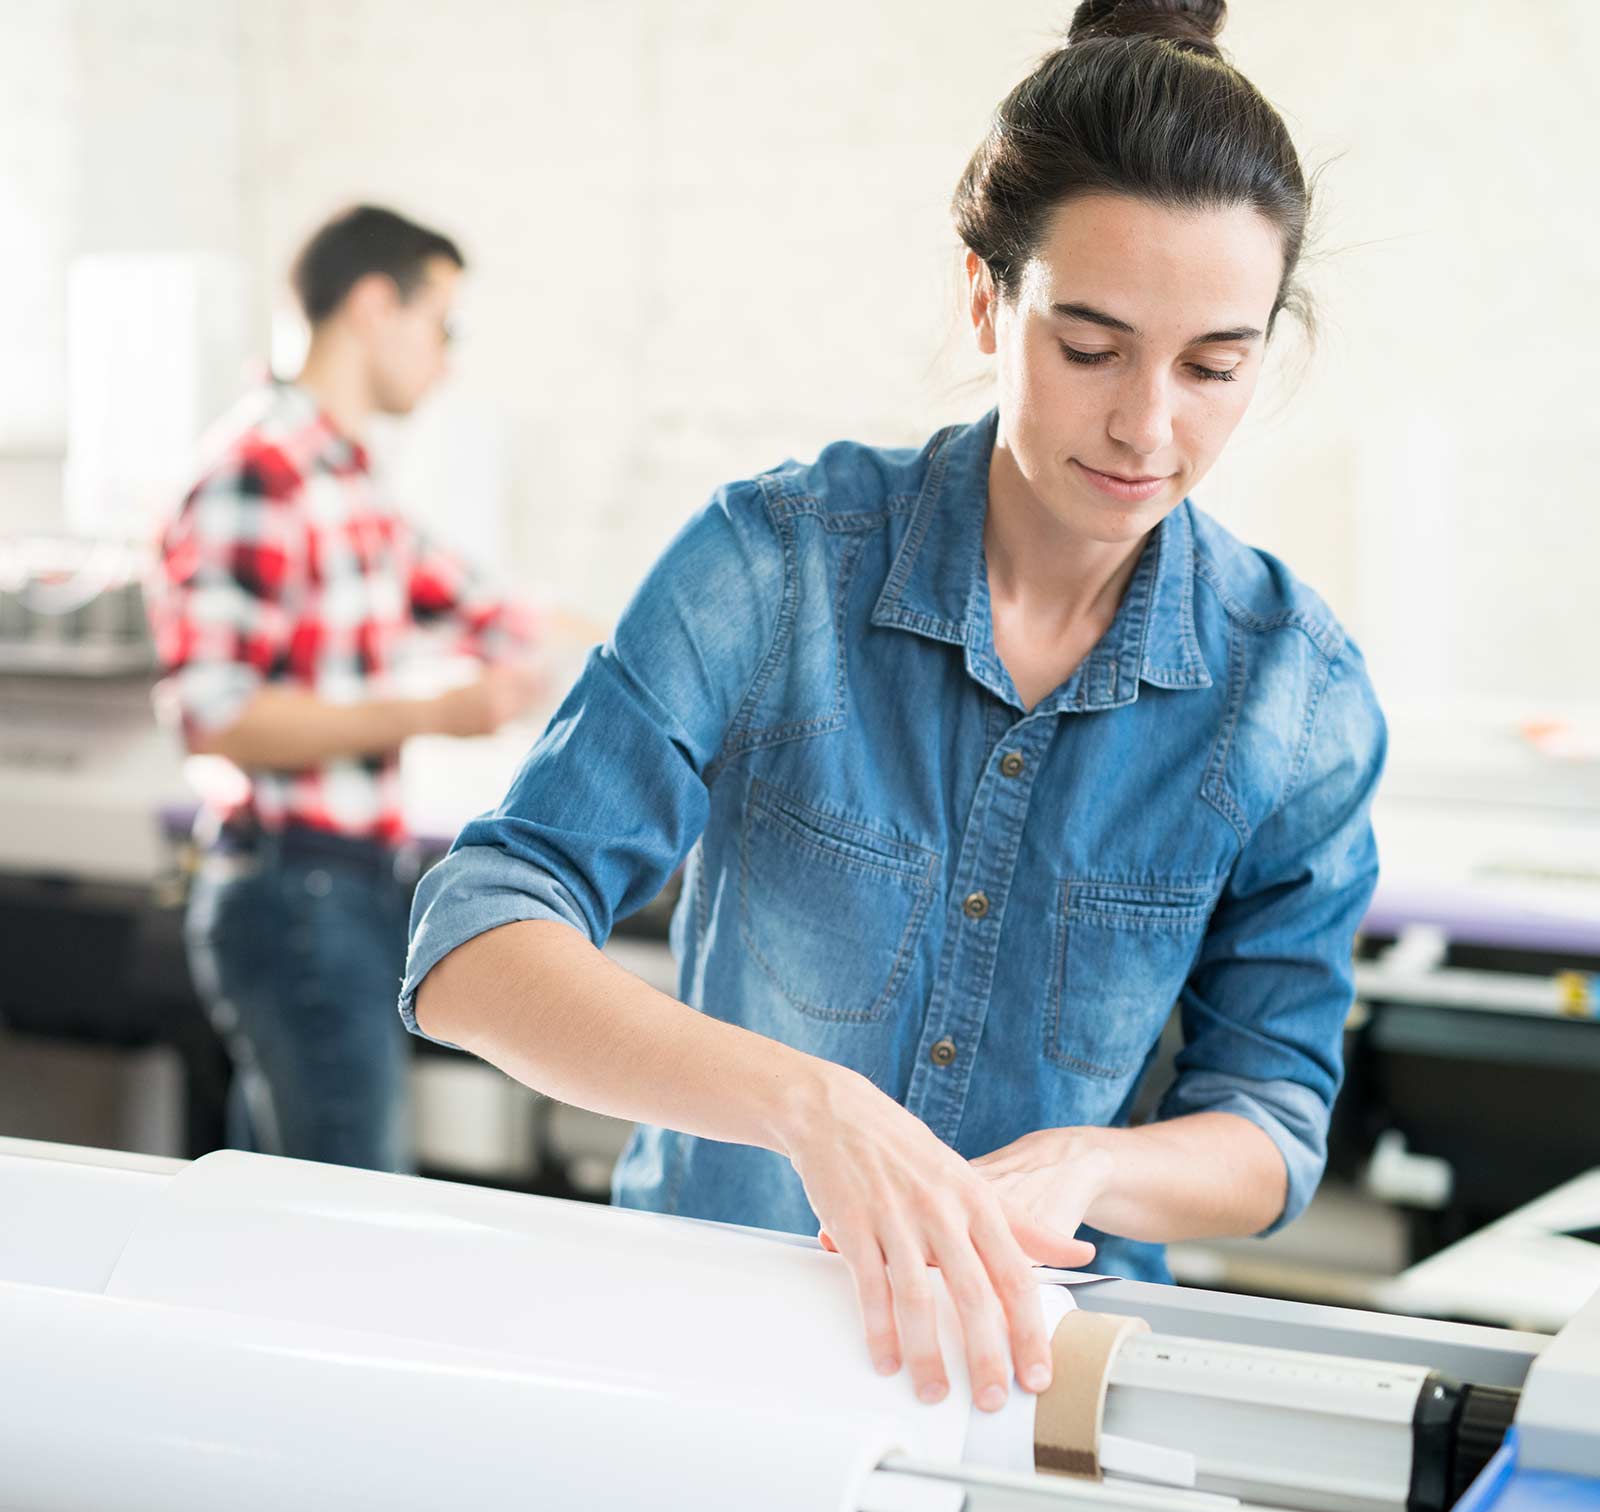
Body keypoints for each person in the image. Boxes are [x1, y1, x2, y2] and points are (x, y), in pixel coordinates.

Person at [404, 0, 1385, 1416]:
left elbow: (1274, 1125)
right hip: (699, 1361)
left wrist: (1097, 1164)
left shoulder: (1298, 693)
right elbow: (475, 935)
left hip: (1038, 1384)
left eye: (1213, 367)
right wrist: (813, 1108)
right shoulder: (778, 564)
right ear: (984, 299)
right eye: (1091, 347)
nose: (1148, 427)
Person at [147, 204, 545, 1174]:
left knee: (277, 1210)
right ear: (375, 305)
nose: (447, 359)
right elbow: (215, 716)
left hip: (343, 890)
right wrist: (435, 713)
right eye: (441, 326)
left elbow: (489, 608)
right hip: (295, 892)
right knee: (346, 1216)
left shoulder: (346, 480)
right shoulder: (261, 471)